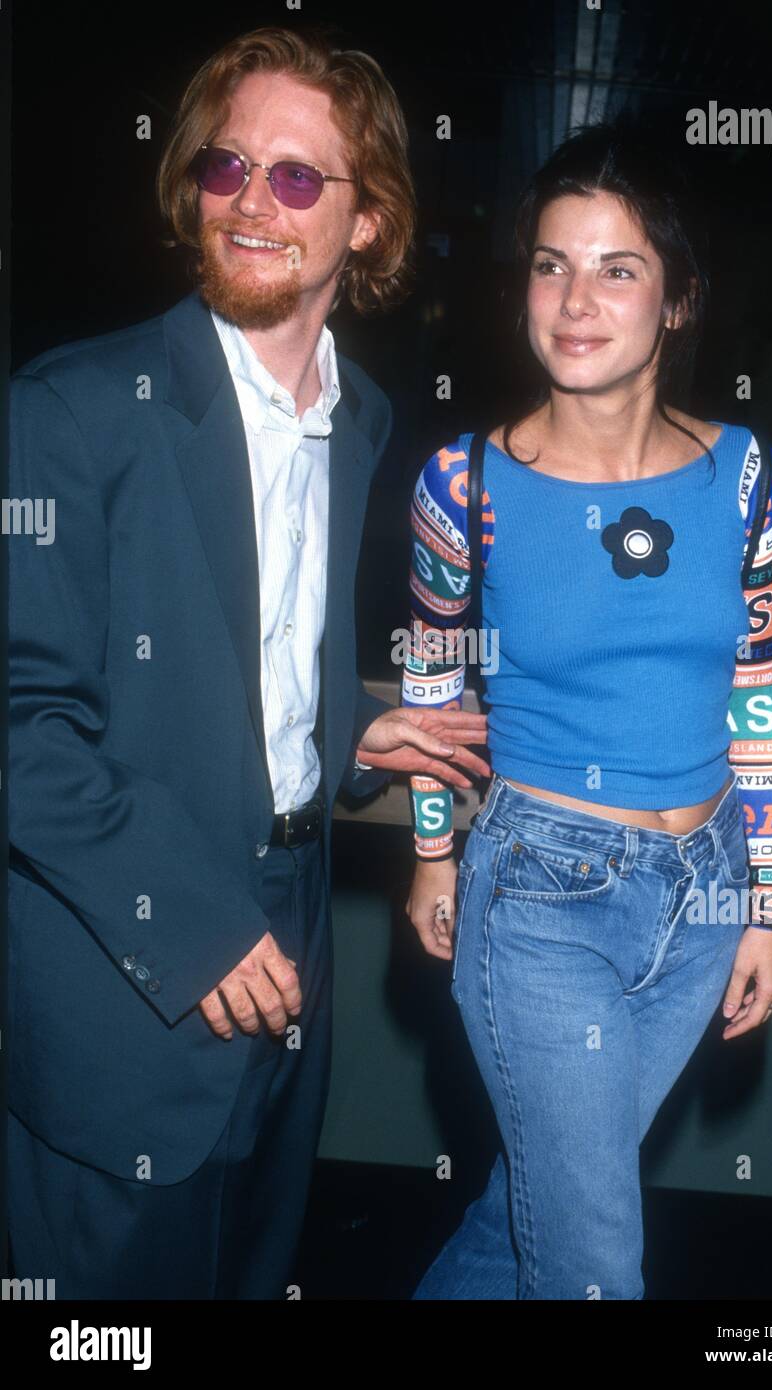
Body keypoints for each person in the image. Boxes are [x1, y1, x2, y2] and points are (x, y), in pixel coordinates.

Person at [7, 25, 488, 1300]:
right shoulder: (69, 413)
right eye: (226, 169)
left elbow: (265, 647)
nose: (250, 203)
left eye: (294, 176)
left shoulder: (361, 417)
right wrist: (196, 923)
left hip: (295, 950)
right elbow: (22, 729)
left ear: (369, 220)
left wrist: (351, 735)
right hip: (128, 969)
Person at [402, 123, 772, 1300]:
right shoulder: (461, 481)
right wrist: (431, 854)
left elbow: (761, 691)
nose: (575, 299)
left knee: (522, 1214)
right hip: (538, 903)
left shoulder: (741, 472)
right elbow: (432, 681)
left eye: (616, 267)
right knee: (591, 1263)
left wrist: (766, 905)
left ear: (675, 302)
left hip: (704, 895)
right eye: (550, 263)